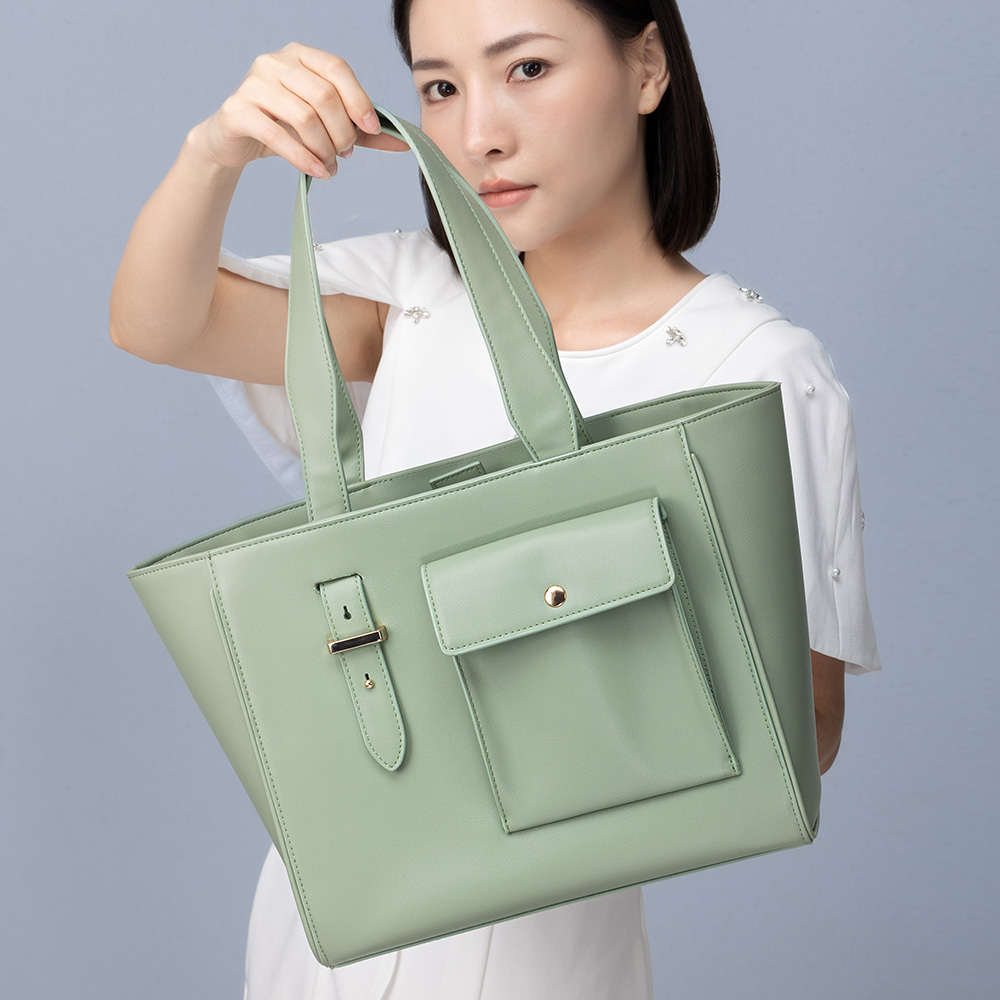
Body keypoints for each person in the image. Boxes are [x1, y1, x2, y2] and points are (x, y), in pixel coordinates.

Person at [110, 0, 882, 996]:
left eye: (527, 69)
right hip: (328, 934)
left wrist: (570, 620)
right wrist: (213, 151)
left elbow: (805, 730)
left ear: (647, 66)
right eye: (440, 86)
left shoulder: (757, 369)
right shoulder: (414, 294)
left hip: (540, 959)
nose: (479, 133)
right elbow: (158, 322)